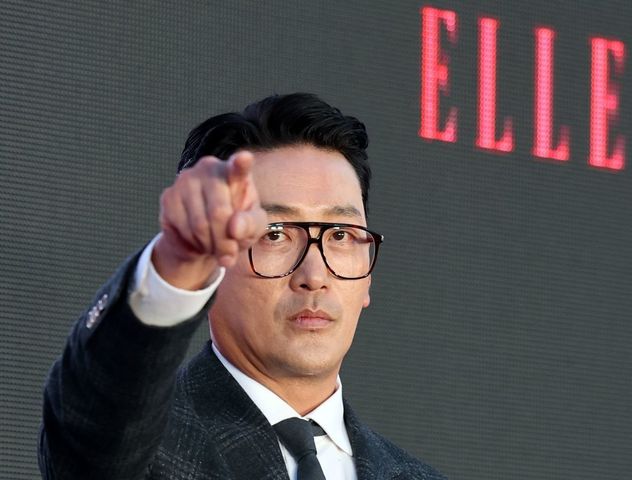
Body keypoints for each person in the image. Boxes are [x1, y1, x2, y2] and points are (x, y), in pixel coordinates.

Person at [39, 93, 446, 479]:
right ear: (212, 260)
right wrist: (175, 265)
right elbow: (92, 428)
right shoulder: (140, 447)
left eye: (340, 234)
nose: (314, 276)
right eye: (274, 234)